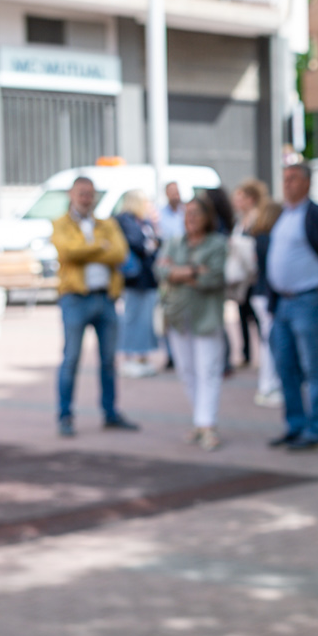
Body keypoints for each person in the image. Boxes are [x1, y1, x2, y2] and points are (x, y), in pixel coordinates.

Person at [256, 162, 318, 451]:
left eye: (294, 178)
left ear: (307, 183)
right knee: (285, 366)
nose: (288, 184)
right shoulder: (283, 215)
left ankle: (315, 428)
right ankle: (295, 425)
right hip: (283, 302)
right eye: (285, 178)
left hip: (308, 299)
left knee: (313, 366)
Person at [51, 176, 139, 437]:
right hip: (75, 298)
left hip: (105, 298)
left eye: (90, 193)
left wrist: (88, 250)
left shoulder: (106, 223)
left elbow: (119, 253)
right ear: (71, 195)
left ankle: (110, 413)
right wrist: (100, 246)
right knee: (71, 359)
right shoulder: (61, 224)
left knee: (109, 361)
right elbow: (67, 252)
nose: (86, 198)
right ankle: (65, 415)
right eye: (81, 193)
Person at [158, 195, 230, 450]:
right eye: (187, 214)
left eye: (196, 213)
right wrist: (194, 270)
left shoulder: (217, 243)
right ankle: (201, 421)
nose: (190, 219)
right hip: (178, 316)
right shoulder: (175, 242)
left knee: (208, 370)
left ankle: (207, 424)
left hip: (206, 317)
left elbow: (214, 278)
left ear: (207, 217)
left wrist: (178, 272)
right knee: (187, 370)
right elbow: (161, 271)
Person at [236, 189, 284, 408]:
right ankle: (268, 386)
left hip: (260, 293)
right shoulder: (268, 238)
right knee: (270, 342)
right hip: (265, 294)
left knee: (268, 341)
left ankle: (269, 385)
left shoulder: (259, 236)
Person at [114, 190, 163, 378]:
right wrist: (150, 244)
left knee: (146, 321)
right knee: (133, 318)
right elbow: (137, 243)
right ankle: (129, 358)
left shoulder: (145, 221)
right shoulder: (125, 220)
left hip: (149, 279)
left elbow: (154, 243)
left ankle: (142, 358)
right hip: (135, 279)